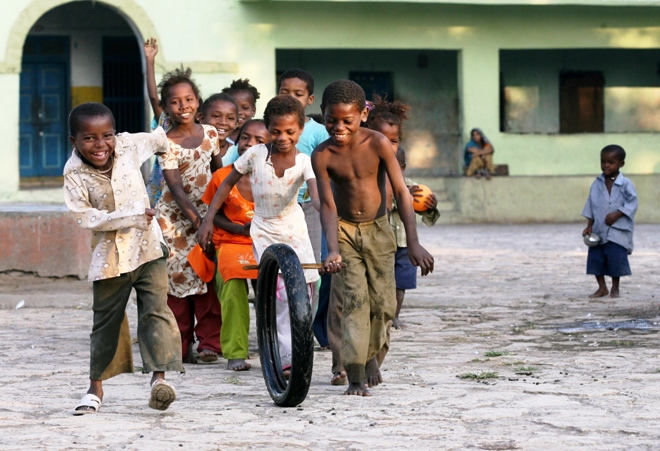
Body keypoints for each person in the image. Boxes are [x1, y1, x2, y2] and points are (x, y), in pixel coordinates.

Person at [312, 80, 434, 396]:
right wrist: (332, 248)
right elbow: (327, 205)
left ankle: (370, 359)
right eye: (330, 119)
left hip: (379, 230)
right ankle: (354, 375)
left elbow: (404, 195)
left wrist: (414, 241)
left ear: (363, 115)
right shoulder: (322, 155)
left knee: (384, 305)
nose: (337, 127)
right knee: (354, 303)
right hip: (345, 231)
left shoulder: (378, 143)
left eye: (346, 120)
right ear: (323, 115)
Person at [63, 102, 183, 414]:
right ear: (73, 140)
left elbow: (160, 139)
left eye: (106, 135)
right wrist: (129, 215)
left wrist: (165, 171)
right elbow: (85, 217)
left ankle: (159, 380)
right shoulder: (74, 173)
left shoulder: (129, 145)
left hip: (148, 248)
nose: (100, 144)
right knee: (106, 321)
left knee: (156, 311)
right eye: (89, 138)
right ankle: (95, 389)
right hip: (109, 258)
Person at [198, 95, 320, 373]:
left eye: (290, 132)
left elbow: (317, 196)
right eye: (276, 132)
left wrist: (330, 219)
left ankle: (296, 342)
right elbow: (225, 182)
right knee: (278, 294)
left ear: (301, 130)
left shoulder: (304, 162)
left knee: (306, 290)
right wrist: (207, 221)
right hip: (263, 229)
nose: (283, 137)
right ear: (269, 129)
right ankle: (285, 356)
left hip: (293, 229)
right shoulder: (256, 155)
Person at [155, 67, 223, 364]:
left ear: (198, 101)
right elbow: (176, 189)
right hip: (174, 221)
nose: (183, 106)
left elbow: (220, 175)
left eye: (189, 99)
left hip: (210, 216)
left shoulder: (210, 133)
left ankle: (209, 345)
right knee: (176, 283)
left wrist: (215, 218)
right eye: (175, 101)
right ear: (166, 107)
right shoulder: (165, 141)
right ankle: (178, 347)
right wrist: (199, 223)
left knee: (207, 278)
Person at [201, 119, 270, 371]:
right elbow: (213, 212)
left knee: (273, 291)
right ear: (237, 140)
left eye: (259, 140)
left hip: (266, 241)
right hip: (231, 242)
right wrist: (239, 229)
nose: (250, 144)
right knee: (232, 287)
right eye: (245, 138)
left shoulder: (275, 175)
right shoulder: (221, 175)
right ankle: (235, 352)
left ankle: (273, 347)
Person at [582, 145, 637, 299]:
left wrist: (618, 214)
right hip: (599, 231)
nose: (606, 165)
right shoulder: (596, 184)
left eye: (611, 162)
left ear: (621, 164)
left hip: (617, 231)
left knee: (615, 259)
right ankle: (602, 287)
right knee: (596, 259)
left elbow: (632, 203)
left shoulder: (626, 184)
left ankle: (615, 288)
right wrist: (589, 226)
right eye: (603, 161)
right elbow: (590, 205)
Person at [220, 79, 261, 166]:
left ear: (253, 111)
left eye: (245, 108)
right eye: (234, 107)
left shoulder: (260, 137)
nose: (239, 112)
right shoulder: (220, 138)